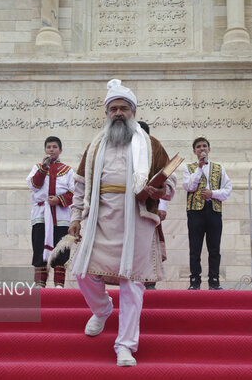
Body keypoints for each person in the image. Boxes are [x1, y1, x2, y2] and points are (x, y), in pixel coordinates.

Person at [68, 79, 176, 366]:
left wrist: (159, 190)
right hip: (99, 220)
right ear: (106, 113)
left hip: (137, 220)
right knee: (81, 273)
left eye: (123, 108)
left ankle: (125, 346)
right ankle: (103, 310)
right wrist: (76, 218)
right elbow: (79, 186)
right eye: (113, 108)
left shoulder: (151, 144)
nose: (118, 113)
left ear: (133, 112)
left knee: (133, 284)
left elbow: (171, 181)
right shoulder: (94, 146)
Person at [183, 137, 232, 290]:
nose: (202, 148)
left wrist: (213, 193)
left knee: (214, 248)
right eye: (198, 147)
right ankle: (195, 281)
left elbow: (227, 190)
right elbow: (189, 187)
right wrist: (199, 168)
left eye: (204, 146)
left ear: (209, 149)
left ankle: (214, 280)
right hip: (195, 212)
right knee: (195, 248)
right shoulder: (189, 168)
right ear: (194, 151)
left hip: (214, 211)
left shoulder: (219, 168)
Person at [26, 136, 74, 288]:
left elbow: (75, 193)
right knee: (39, 246)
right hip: (41, 215)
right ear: (45, 150)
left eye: (54, 147)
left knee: (61, 248)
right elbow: (34, 185)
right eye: (48, 147)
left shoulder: (68, 170)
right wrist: (43, 168)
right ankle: (40, 283)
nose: (51, 150)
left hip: (61, 216)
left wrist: (59, 200)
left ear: (60, 150)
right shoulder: (37, 168)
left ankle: (59, 284)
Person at [138, 121, 168, 290]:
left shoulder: (156, 151)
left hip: (149, 209)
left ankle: (150, 285)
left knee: (149, 248)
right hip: (128, 211)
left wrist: (162, 204)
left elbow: (166, 179)